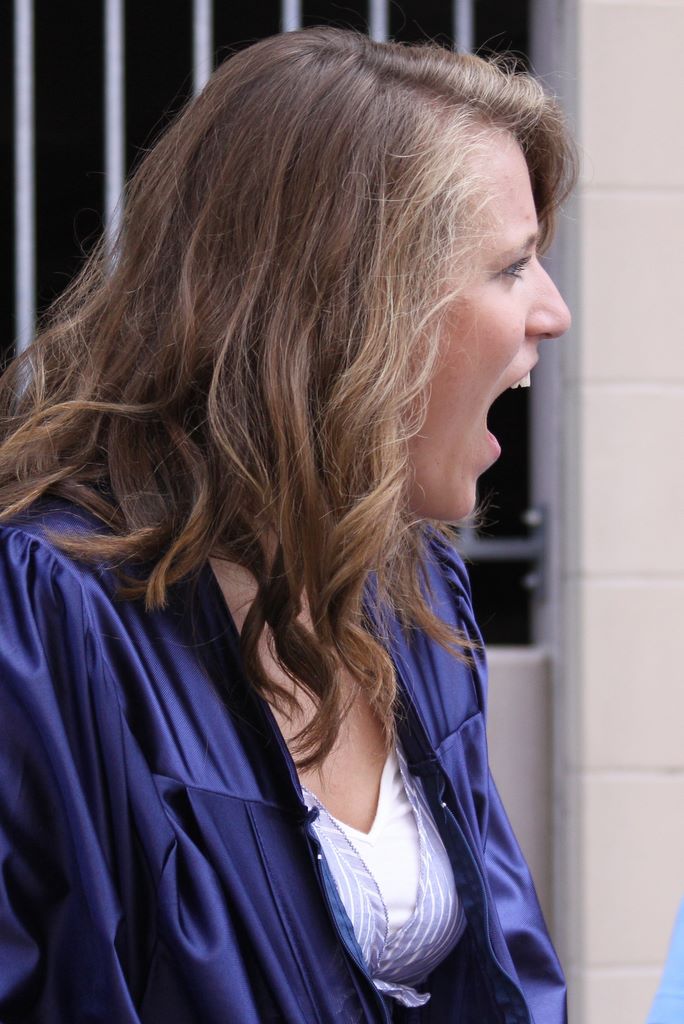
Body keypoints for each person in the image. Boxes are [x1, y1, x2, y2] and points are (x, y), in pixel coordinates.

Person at [0, 27, 576, 1024]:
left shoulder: (413, 588)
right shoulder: (47, 616)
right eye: (510, 266)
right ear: (351, 306)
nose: (553, 311)